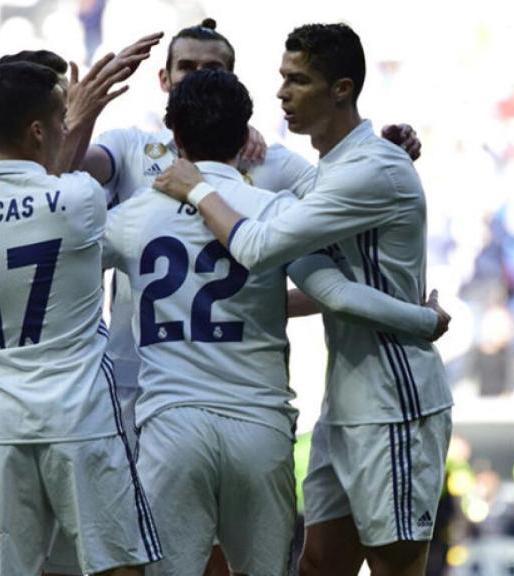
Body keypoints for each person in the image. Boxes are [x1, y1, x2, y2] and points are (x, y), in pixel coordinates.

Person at [100, 68, 449, 576]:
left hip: (170, 428)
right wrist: (422, 319)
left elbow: (60, 259)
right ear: (247, 138)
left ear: (173, 137)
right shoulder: (274, 209)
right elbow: (334, 291)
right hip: (257, 426)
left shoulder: (133, 216)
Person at [0, 51, 163, 576]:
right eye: (59, 121)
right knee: (120, 568)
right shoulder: (79, 198)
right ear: (40, 132)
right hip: (80, 418)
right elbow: (51, 199)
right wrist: (82, 118)